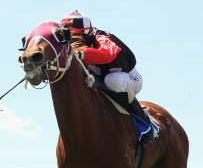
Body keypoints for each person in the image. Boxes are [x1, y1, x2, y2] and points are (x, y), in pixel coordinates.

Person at [60, 11, 155, 142]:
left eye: (75, 34)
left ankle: (144, 120)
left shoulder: (101, 36)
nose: (72, 40)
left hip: (129, 77)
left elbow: (108, 54)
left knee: (113, 80)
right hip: (103, 77)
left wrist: (81, 54)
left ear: (85, 32)